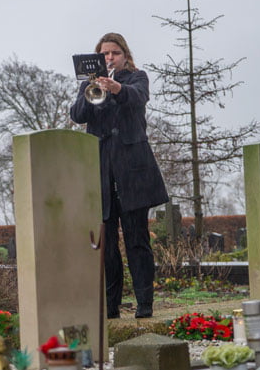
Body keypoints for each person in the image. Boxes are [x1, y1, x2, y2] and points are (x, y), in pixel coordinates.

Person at [70, 32, 169, 319]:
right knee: (106, 244)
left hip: (133, 171)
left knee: (137, 239)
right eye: (104, 53)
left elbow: (139, 99)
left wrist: (115, 88)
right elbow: (77, 115)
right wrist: (92, 91)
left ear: (124, 55)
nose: (109, 58)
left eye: (114, 53)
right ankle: (110, 306)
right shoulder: (88, 84)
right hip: (100, 170)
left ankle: (144, 303)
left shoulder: (137, 77)